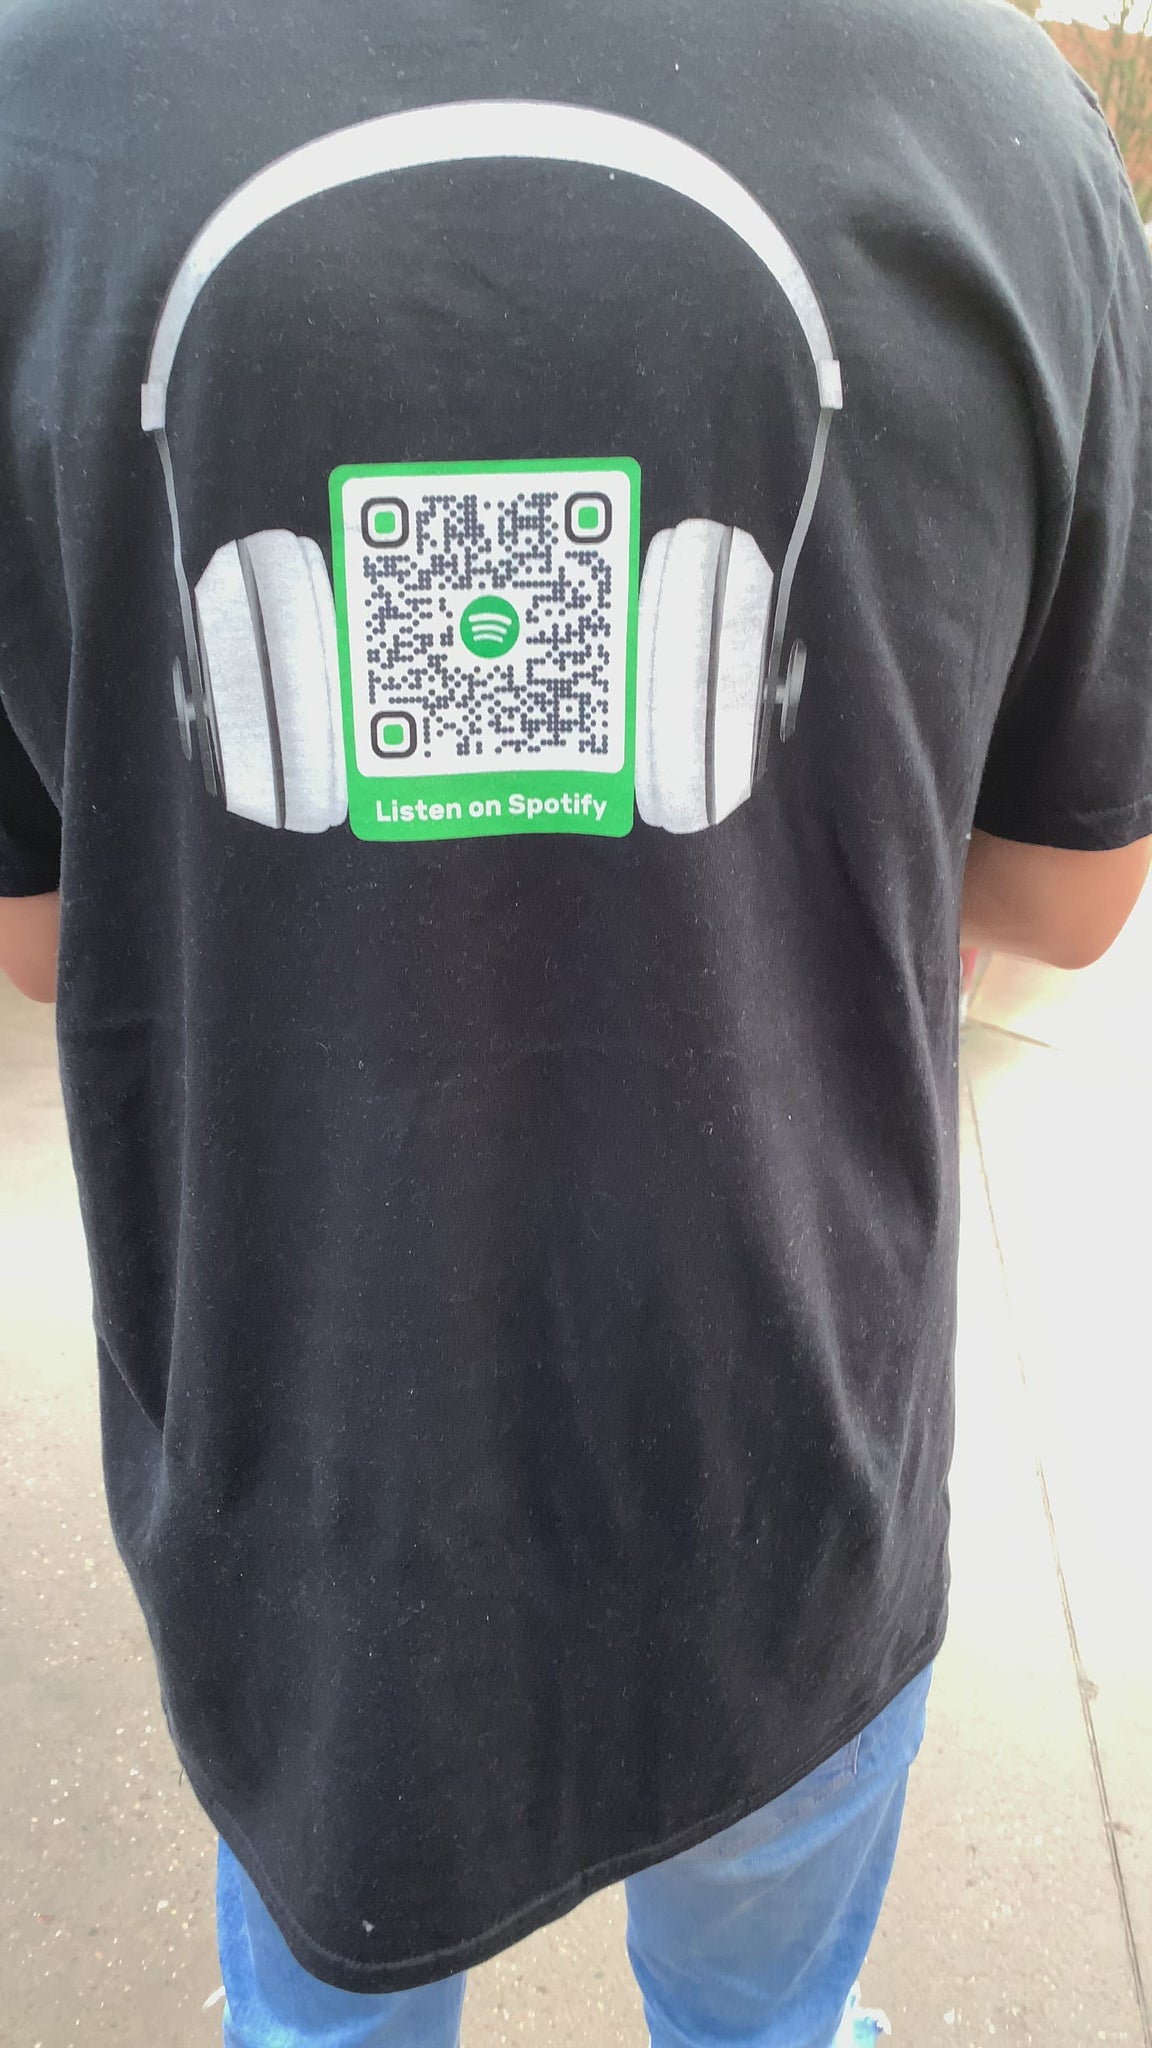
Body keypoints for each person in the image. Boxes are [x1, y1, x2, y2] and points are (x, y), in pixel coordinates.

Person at [2, 0, 1151, 2041]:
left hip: (309, 1508)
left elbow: (44, 939)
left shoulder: (30, 119)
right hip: (785, 1481)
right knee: (761, 2023)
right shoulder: (1007, 123)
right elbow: (1070, 895)